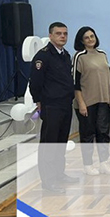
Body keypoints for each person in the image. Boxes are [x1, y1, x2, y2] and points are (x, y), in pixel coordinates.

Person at [30, 22, 78, 193]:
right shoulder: (43, 56)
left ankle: (59, 174)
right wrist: (38, 101)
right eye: (58, 33)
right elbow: (35, 82)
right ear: (50, 36)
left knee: (60, 142)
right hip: (51, 105)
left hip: (65, 104)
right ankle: (48, 181)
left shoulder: (65, 55)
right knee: (49, 144)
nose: (62, 36)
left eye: (65, 33)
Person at [72, 26, 110, 176]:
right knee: (87, 134)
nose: (90, 39)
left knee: (103, 132)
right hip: (86, 102)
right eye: (87, 37)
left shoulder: (102, 54)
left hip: (103, 100)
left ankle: (104, 163)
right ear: (81, 41)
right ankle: (88, 165)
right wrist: (81, 103)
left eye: (92, 36)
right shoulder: (79, 57)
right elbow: (75, 83)